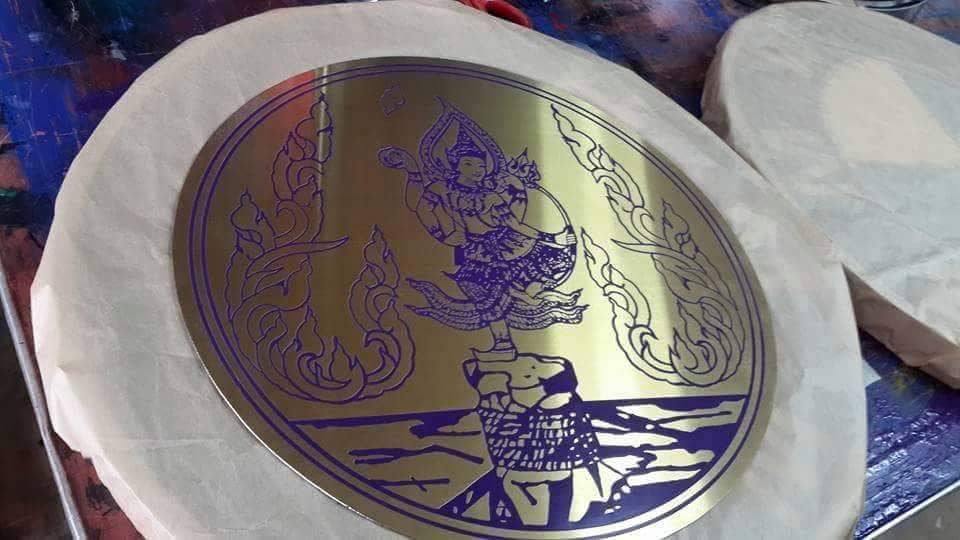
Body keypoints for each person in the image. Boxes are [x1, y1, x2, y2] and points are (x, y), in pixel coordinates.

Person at [405, 126, 585, 357]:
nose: (477, 170)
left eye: (481, 166)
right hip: (471, 249)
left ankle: (512, 327)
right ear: (456, 164)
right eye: (470, 164)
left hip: (504, 246)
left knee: (496, 290)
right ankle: (509, 332)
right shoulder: (441, 189)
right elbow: (419, 206)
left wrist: (552, 238)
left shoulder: (490, 196)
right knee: (476, 289)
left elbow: (514, 224)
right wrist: (439, 232)